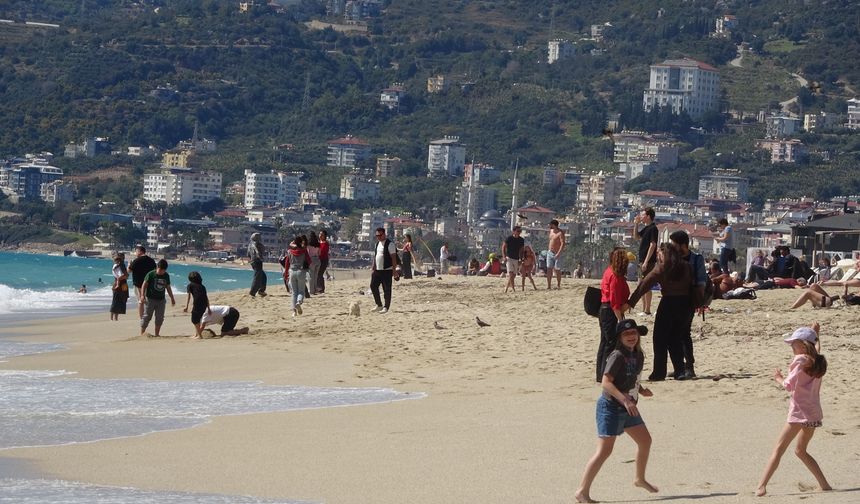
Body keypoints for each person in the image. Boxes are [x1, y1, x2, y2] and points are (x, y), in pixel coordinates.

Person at [575, 319, 658, 504]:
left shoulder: (638, 354)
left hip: (628, 408)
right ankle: (582, 492)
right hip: (611, 408)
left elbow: (630, 378)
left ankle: (639, 479)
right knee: (604, 451)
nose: (631, 337)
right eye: (626, 334)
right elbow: (606, 382)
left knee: (645, 441)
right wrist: (625, 401)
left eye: (634, 333)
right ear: (620, 338)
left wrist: (641, 390)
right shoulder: (617, 355)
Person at [756, 323, 831, 497]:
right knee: (800, 451)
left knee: (778, 449)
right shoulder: (817, 360)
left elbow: (789, 385)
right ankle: (824, 484)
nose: (791, 347)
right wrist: (816, 334)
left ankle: (761, 486)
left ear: (804, 345)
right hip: (813, 413)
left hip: (799, 413)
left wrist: (778, 378)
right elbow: (816, 348)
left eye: (794, 344)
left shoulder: (801, 360)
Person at [627, 243, 693, 381]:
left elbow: (644, 285)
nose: (658, 256)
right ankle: (680, 370)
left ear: (665, 254)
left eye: (659, 253)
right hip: (686, 304)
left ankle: (659, 372)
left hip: (669, 303)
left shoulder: (662, 268)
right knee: (676, 338)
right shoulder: (685, 266)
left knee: (660, 339)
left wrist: (630, 303)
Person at [669, 230, 708, 380]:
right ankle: (679, 366)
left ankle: (689, 367)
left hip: (688, 301)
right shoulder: (673, 258)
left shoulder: (696, 259)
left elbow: (701, 281)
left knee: (684, 333)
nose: (672, 247)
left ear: (682, 245)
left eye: (674, 244)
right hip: (674, 300)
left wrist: (699, 302)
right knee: (674, 334)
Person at [596, 248, 631, 382]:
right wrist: (621, 321)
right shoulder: (615, 277)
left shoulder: (610, 272)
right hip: (609, 311)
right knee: (610, 343)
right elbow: (615, 303)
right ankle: (606, 374)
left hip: (605, 310)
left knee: (605, 342)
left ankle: (601, 374)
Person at [140, 259, 175, 337]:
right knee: (147, 317)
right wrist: (142, 295)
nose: (161, 272)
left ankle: (157, 334)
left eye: (163, 270)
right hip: (150, 299)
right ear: (157, 267)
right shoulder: (151, 274)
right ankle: (142, 334)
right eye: (159, 270)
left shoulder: (166, 276)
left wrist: (172, 298)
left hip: (161, 300)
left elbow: (168, 287)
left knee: (160, 318)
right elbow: (144, 285)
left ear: (165, 270)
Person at [633, 208, 658, 315]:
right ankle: (644, 309)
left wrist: (646, 261)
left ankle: (647, 310)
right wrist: (636, 224)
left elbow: (653, 245)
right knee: (640, 284)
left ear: (648, 216)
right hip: (641, 260)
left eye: (643, 215)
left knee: (646, 285)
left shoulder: (653, 228)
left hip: (647, 261)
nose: (641, 216)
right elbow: (636, 237)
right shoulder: (647, 228)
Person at [371, 227, 399, 313]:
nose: (378, 237)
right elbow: (376, 256)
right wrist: (373, 266)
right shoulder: (377, 244)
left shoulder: (390, 244)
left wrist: (394, 270)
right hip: (378, 270)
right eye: (377, 235)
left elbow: (393, 258)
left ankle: (386, 307)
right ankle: (379, 305)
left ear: (384, 234)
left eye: (380, 235)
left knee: (386, 289)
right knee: (373, 286)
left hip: (387, 270)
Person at [284, 235, 311, 317]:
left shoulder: (290, 251)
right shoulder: (304, 251)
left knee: (294, 293)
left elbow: (287, 263)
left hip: (292, 272)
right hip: (301, 271)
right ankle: (299, 302)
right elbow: (309, 261)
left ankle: (294, 312)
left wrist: (286, 274)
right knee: (301, 292)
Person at [128, 245, 157, 319]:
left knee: (140, 301)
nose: (135, 253)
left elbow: (129, 271)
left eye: (136, 251)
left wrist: (129, 264)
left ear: (140, 251)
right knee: (148, 300)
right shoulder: (151, 260)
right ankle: (148, 315)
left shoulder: (136, 260)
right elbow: (155, 271)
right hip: (149, 283)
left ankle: (141, 317)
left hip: (138, 284)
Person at [183, 271, 211, 339]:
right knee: (198, 320)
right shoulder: (203, 286)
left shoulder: (190, 285)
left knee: (194, 320)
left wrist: (186, 306)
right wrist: (209, 308)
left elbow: (189, 296)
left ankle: (199, 336)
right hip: (204, 304)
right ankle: (197, 334)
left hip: (197, 303)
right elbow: (206, 297)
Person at [502, 226, 525, 293]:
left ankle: (506, 287)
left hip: (516, 258)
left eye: (520, 231)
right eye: (518, 231)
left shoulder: (521, 240)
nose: (519, 232)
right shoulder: (509, 238)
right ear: (514, 231)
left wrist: (521, 259)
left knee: (514, 275)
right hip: (509, 258)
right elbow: (503, 247)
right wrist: (504, 256)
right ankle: (513, 289)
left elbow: (521, 250)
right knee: (511, 274)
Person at [546, 219, 566, 289]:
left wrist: (558, 253)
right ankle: (549, 286)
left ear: (554, 225)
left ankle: (558, 284)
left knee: (557, 269)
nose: (549, 226)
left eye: (550, 224)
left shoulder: (560, 233)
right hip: (550, 252)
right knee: (549, 269)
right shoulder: (551, 231)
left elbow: (563, 244)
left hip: (557, 253)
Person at [110, 253, 129, 321]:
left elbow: (125, 275)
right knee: (116, 300)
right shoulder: (118, 265)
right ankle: (113, 318)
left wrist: (126, 275)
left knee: (119, 300)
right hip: (120, 284)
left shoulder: (120, 265)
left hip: (122, 284)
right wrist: (126, 276)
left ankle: (114, 318)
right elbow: (124, 276)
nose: (122, 259)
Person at [247, 232, 267, 298]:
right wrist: (259, 256)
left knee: (263, 276)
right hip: (257, 261)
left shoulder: (250, 244)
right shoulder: (255, 244)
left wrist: (251, 260)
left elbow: (248, 254)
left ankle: (261, 290)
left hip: (253, 262)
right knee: (257, 277)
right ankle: (252, 293)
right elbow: (257, 250)